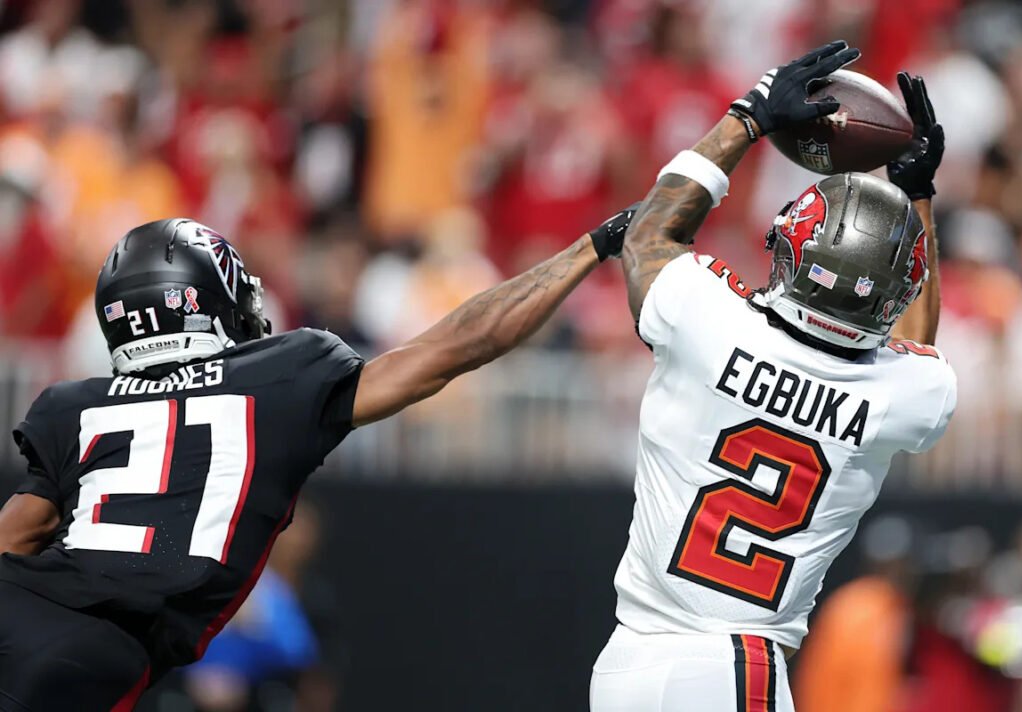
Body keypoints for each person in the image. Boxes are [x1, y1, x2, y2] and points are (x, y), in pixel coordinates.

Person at [0, 203, 637, 710]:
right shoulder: (280, 377)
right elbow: (455, 346)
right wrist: (592, 247)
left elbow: (16, 535)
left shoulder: (75, 404)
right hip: (90, 657)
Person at [590, 41, 957, 712]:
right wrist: (917, 198)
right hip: (733, 660)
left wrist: (749, 116)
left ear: (788, 248)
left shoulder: (705, 319)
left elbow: (647, 237)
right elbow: (915, 345)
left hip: (628, 659)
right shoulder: (904, 396)